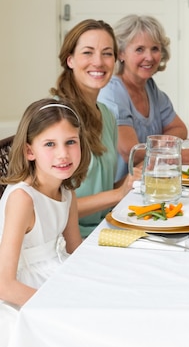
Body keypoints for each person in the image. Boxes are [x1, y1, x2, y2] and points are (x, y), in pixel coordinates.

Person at [0, 99, 89, 345]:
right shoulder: (23, 199)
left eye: (71, 142)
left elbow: (75, 249)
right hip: (23, 291)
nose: (63, 154)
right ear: (30, 151)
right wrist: (56, 304)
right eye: (50, 144)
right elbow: (4, 285)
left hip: (57, 272)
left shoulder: (67, 192)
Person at [51, 19, 138, 238]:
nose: (98, 62)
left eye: (107, 53)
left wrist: (133, 180)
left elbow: (104, 187)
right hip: (68, 240)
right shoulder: (56, 118)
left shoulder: (106, 114)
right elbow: (51, 207)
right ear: (70, 60)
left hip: (107, 228)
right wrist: (119, 193)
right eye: (88, 53)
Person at [98, 14, 189, 182]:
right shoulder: (112, 92)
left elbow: (179, 129)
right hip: (121, 191)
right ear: (121, 54)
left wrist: (158, 144)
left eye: (155, 49)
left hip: (150, 181)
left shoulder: (150, 87)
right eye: (139, 49)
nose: (149, 57)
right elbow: (132, 153)